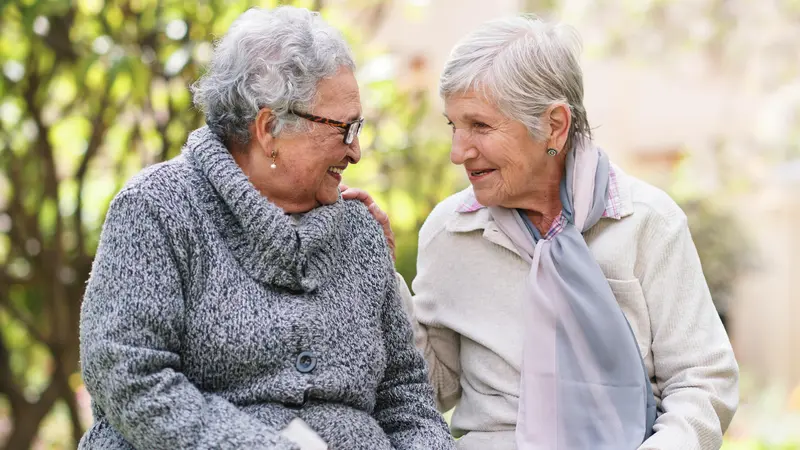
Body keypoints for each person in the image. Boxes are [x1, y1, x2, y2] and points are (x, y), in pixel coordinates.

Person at [344, 14, 738, 450]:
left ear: (554, 125)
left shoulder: (647, 222)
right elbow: (433, 388)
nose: (459, 152)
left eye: (479, 126)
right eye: (453, 125)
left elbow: (702, 383)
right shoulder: (451, 230)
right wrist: (381, 277)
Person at [78, 7, 455, 450]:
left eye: (359, 128)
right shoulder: (156, 210)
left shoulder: (358, 230)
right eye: (344, 129)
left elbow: (406, 398)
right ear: (269, 128)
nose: (356, 152)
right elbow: (129, 376)